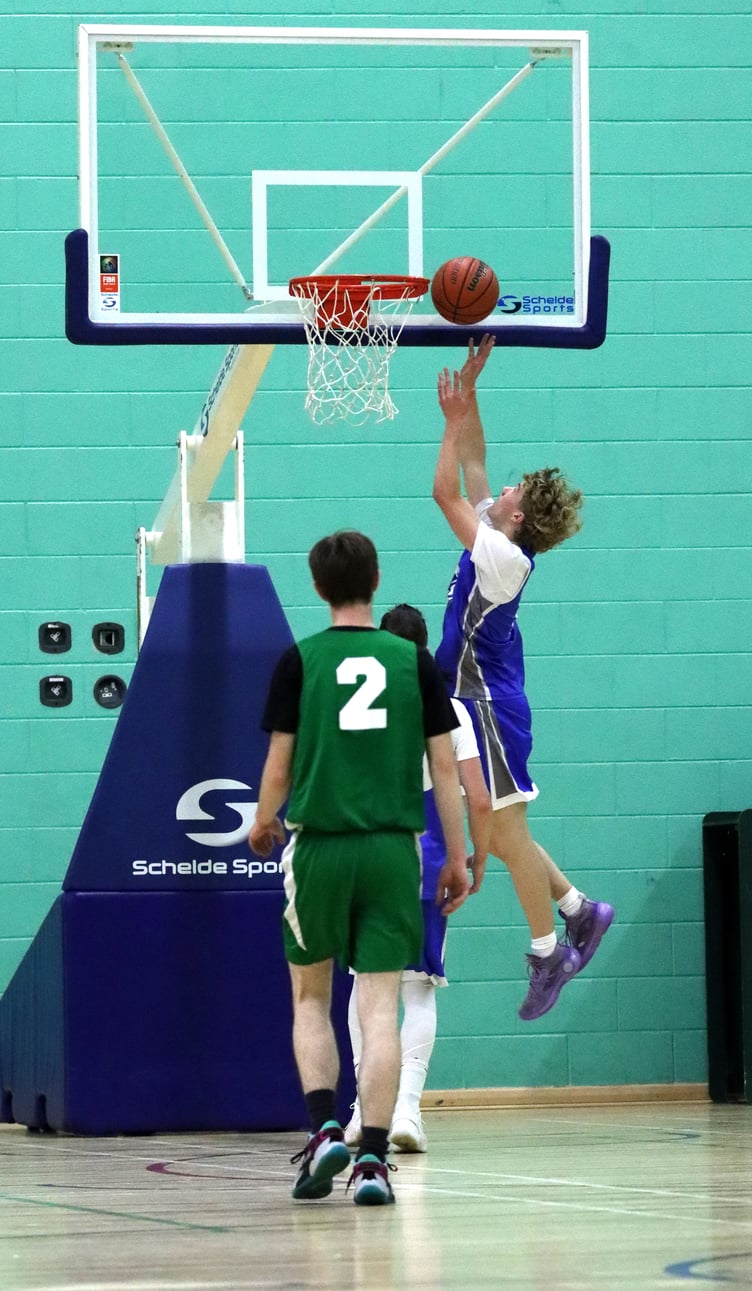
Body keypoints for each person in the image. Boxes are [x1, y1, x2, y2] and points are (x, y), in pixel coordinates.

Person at [248, 531, 470, 1207]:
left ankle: (324, 1131)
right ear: (376, 577)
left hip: (319, 844)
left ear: (317, 587)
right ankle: (372, 1158)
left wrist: (263, 820)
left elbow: (280, 766)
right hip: (391, 847)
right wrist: (457, 856)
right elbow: (444, 772)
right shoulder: (413, 662)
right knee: (380, 1008)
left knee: (311, 998)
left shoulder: (300, 660)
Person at [432, 336, 614, 1022]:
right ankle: (579, 910)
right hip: (475, 699)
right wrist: (472, 390)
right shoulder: (502, 535)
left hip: (487, 705)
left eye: (507, 492)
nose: (499, 485)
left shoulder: (506, 557)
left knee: (507, 834)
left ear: (514, 516)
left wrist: (449, 422)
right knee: (505, 837)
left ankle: (550, 950)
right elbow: (475, 461)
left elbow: (443, 486)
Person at [344, 603, 491, 1154]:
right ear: (428, 649)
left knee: (365, 989)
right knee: (417, 989)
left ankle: (362, 1110)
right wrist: (477, 857)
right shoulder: (452, 710)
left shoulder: (361, 709)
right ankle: (406, 1110)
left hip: (368, 856)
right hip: (429, 860)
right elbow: (477, 796)